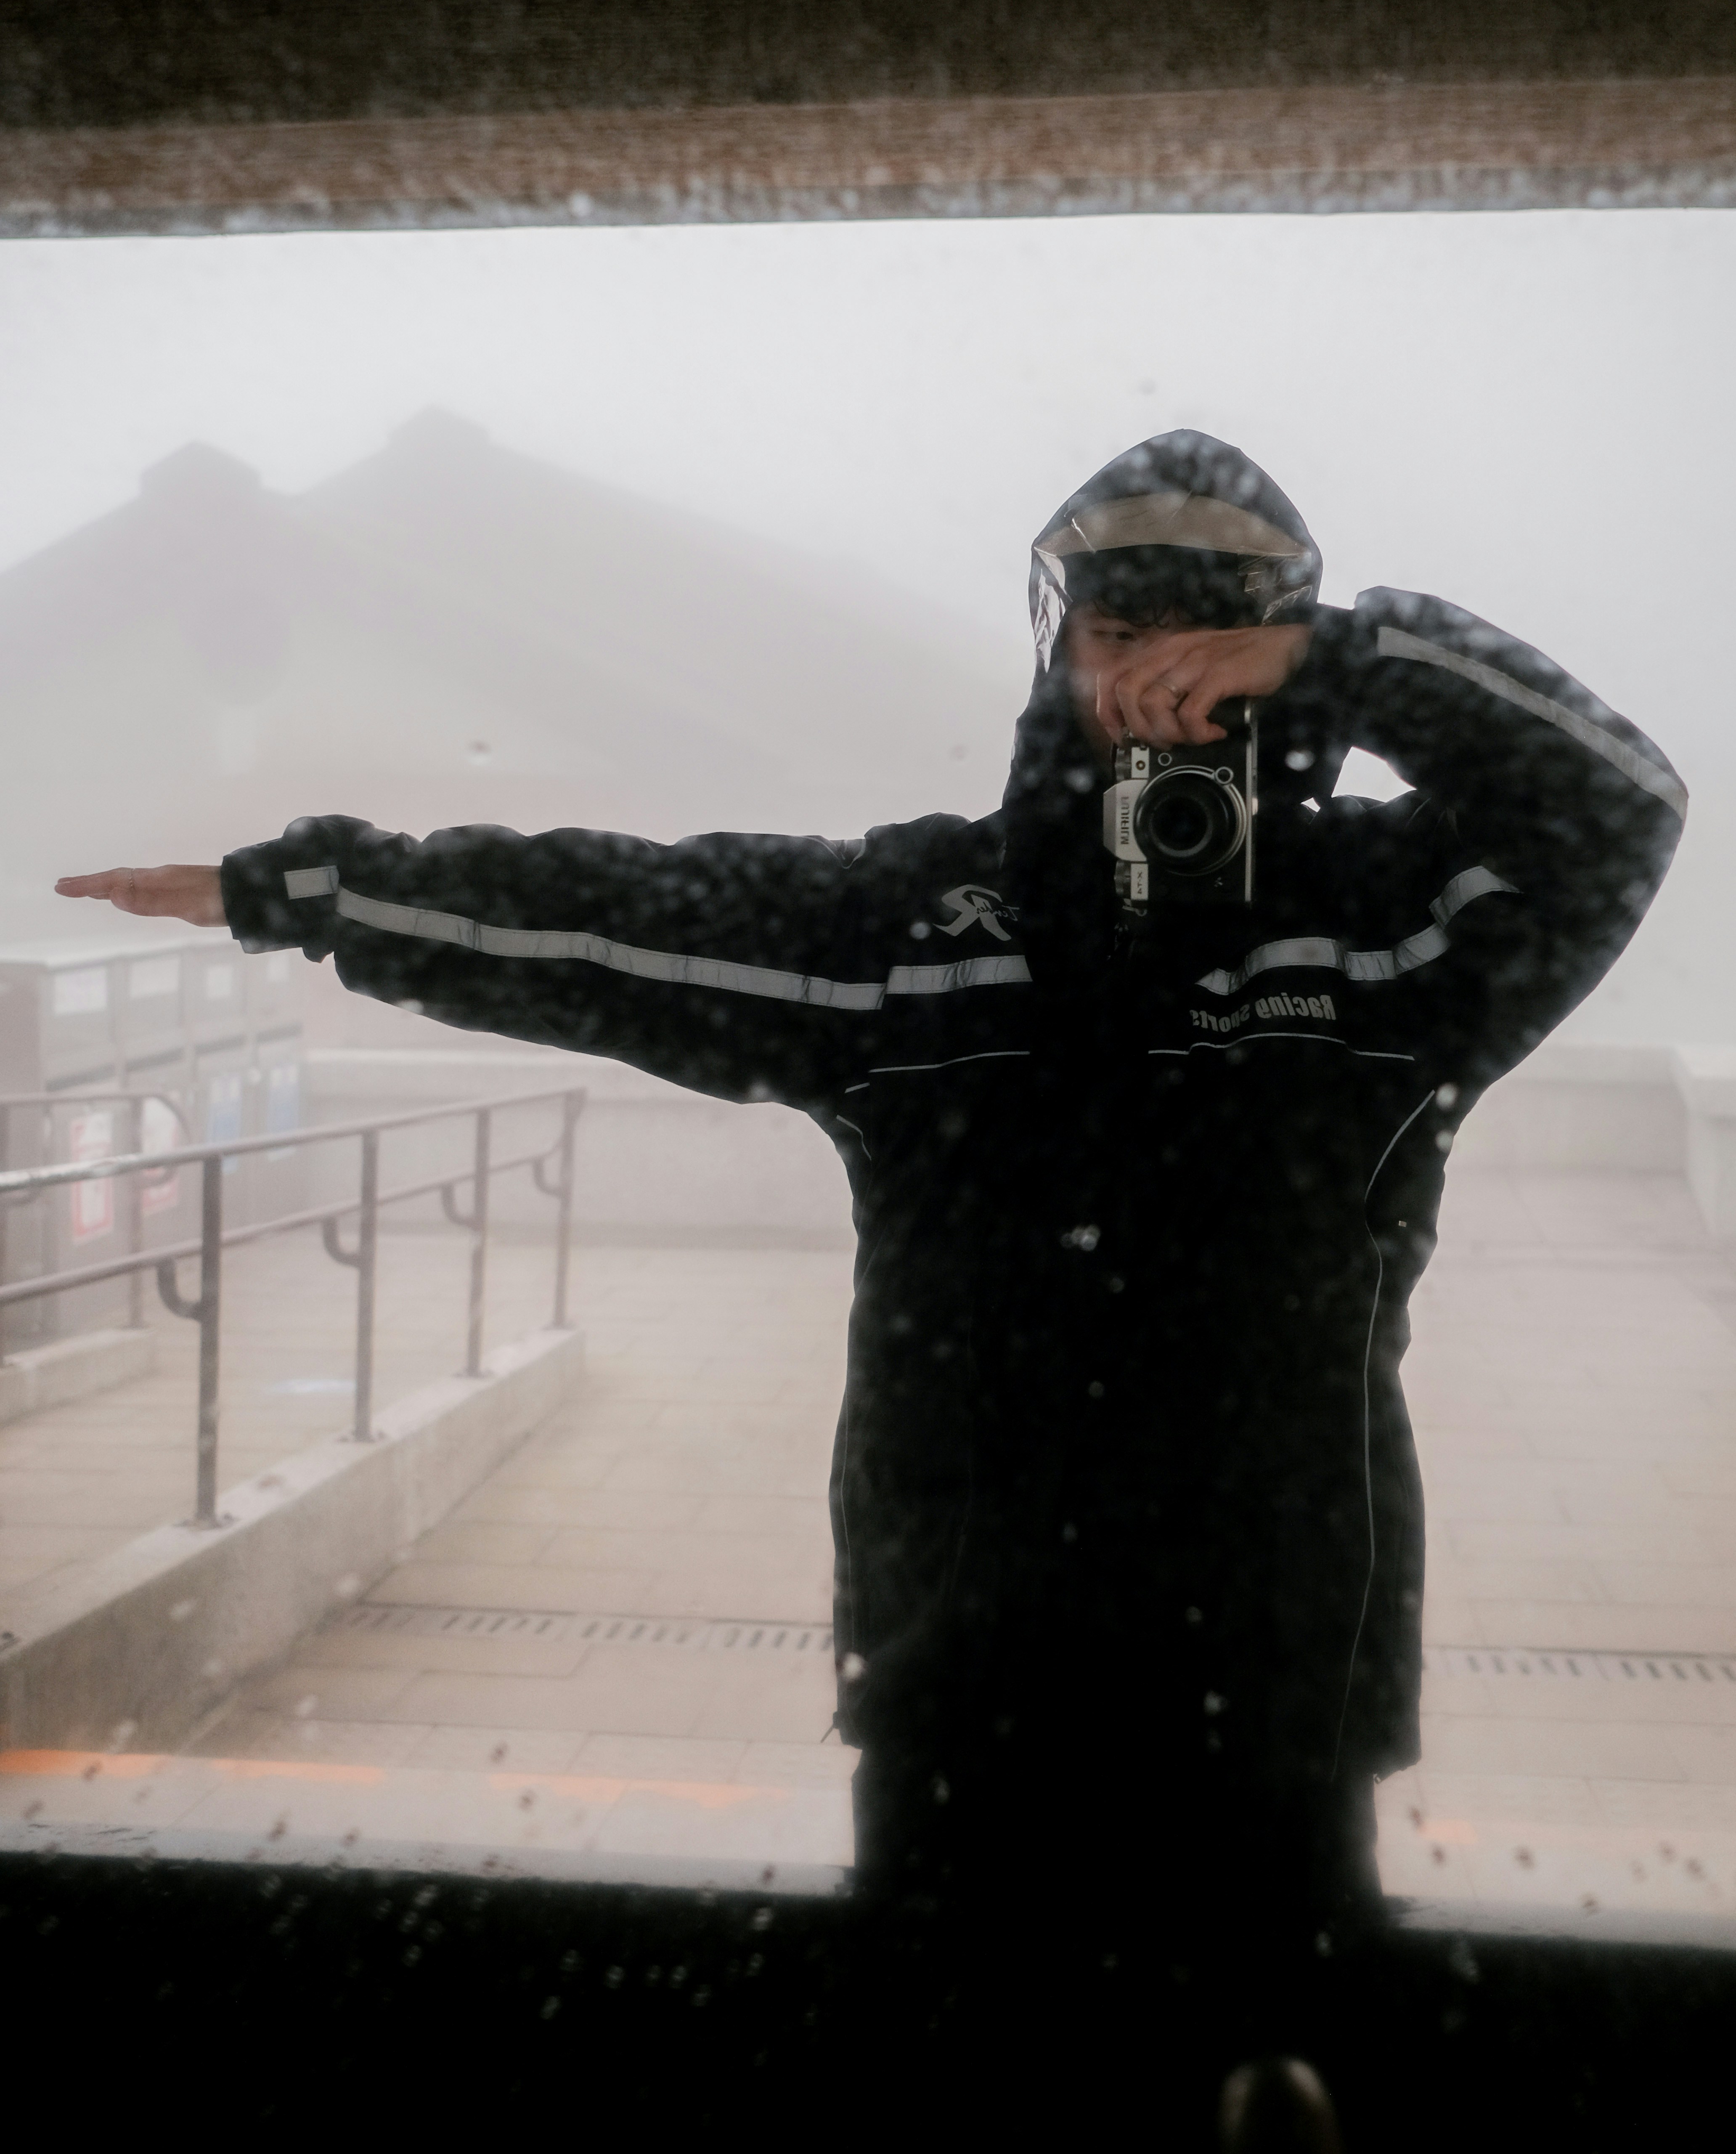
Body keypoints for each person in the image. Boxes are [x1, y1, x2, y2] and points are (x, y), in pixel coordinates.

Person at [59, 429, 1683, 1955]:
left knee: (1260, 2096)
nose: (1154, 676)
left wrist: (1351, 662)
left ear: (1285, 652)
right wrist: (319, 888)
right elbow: (612, 916)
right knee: (936, 2086)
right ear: (1054, 644)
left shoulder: (1390, 932)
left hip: (1280, 1669)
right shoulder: (922, 923)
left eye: (1214, 637)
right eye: (1117, 631)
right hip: (959, 1665)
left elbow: (1619, 804)